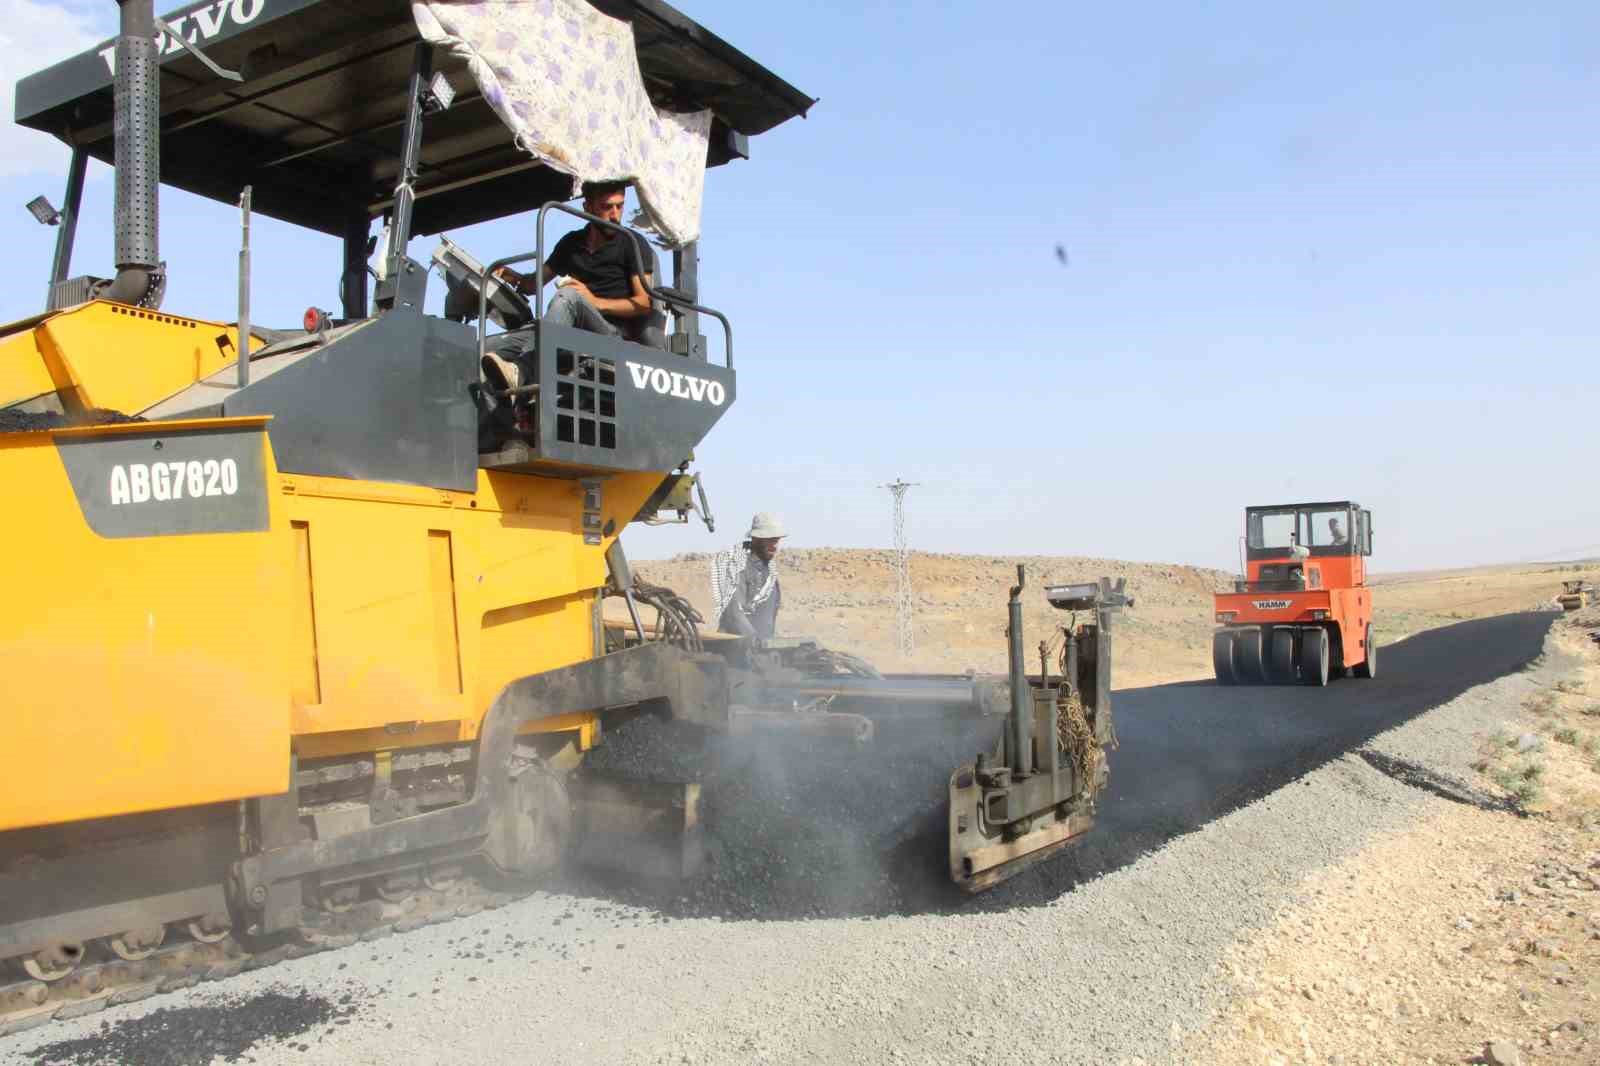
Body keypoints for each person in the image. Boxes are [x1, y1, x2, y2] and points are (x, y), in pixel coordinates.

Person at [483, 181, 665, 391]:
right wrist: (509, 275)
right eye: (607, 207)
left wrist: (595, 302)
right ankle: (502, 403)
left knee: (568, 295)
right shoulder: (571, 243)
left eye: (620, 206)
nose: (615, 214)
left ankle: (522, 370)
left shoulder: (632, 243)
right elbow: (533, 284)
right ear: (587, 208)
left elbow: (643, 303)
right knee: (486, 348)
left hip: (610, 335)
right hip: (568, 329)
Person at [710, 513, 786, 639]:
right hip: (736, 647)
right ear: (756, 539)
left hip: (760, 647)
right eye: (770, 540)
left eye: (776, 540)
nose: (775, 546)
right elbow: (734, 613)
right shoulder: (738, 566)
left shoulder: (768, 570)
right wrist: (755, 641)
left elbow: (767, 617)